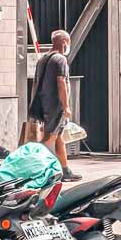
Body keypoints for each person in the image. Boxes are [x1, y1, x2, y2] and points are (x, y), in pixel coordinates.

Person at [28, 30, 81, 181]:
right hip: (55, 106)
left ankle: (65, 171)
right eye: (68, 43)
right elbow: (61, 83)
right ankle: (33, 166)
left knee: (58, 137)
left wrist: (34, 104)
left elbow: (35, 83)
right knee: (50, 138)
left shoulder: (43, 59)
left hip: (43, 104)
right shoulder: (60, 59)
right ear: (64, 43)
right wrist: (66, 106)